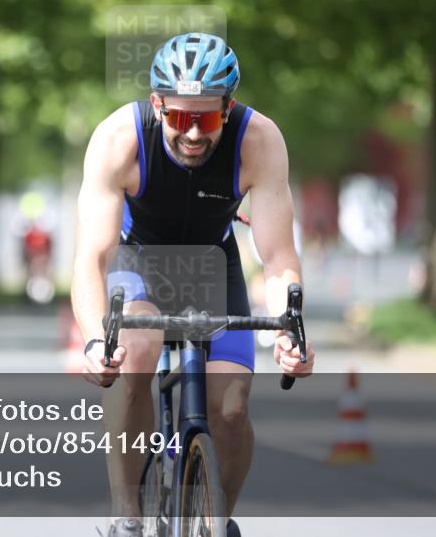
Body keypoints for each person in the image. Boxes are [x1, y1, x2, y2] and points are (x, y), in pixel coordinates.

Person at [71, 33, 315, 537]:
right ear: (158, 104)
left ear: (228, 107)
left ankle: (215, 519)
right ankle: (127, 517)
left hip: (210, 262)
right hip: (136, 259)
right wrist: (97, 340)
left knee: (231, 405)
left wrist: (289, 334)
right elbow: (90, 258)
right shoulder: (119, 137)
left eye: (206, 118)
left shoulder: (259, 140)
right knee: (136, 348)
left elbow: (277, 257)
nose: (194, 134)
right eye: (181, 117)